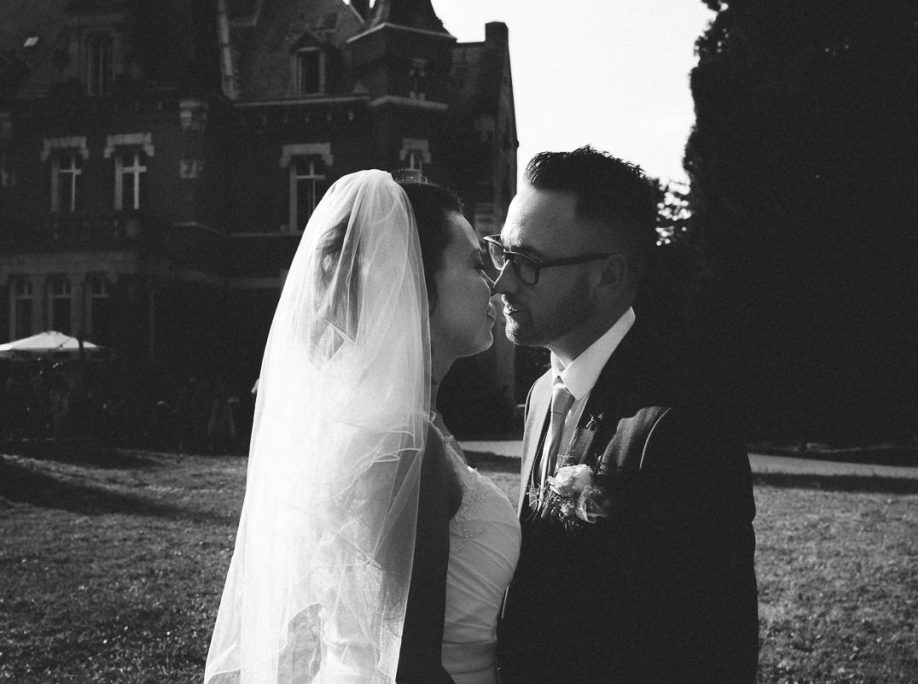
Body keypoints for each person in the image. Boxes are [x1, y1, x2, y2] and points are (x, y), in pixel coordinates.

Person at [204, 170, 520, 683]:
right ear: (413, 280)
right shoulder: (403, 446)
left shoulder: (400, 427)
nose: (495, 284)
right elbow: (411, 668)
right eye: (474, 264)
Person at [493, 147, 759, 682]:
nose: (502, 283)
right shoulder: (545, 392)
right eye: (501, 253)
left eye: (528, 263)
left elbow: (713, 650)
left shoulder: (680, 428)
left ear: (608, 276)